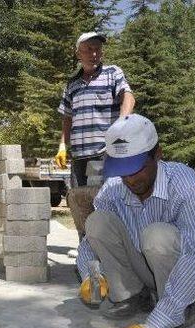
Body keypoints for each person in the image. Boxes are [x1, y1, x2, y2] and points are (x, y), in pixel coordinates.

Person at [77, 114, 195, 328]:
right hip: (149, 269)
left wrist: (155, 325)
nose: (130, 179)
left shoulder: (187, 186)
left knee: (155, 236)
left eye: (136, 169)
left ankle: (183, 307)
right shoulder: (114, 188)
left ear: (158, 154)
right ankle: (133, 296)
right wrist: (90, 276)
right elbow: (89, 244)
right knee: (97, 222)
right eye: (122, 170)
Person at [55, 31, 135, 256]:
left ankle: (110, 248)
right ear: (78, 53)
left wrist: (122, 123)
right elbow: (67, 117)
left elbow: (128, 97)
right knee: (80, 203)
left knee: (105, 201)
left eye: (98, 48)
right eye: (89, 49)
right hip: (79, 155)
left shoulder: (112, 73)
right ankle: (86, 247)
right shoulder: (72, 84)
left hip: (104, 154)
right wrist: (62, 145)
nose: (94, 53)